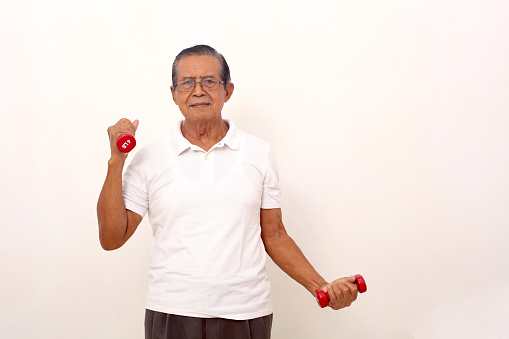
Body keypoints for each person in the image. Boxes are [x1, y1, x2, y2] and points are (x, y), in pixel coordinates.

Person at [97, 45, 360, 339]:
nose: (198, 91)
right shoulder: (150, 157)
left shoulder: (259, 153)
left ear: (228, 90)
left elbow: (274, 234)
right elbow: (111, 238)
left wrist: (320, 286)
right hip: (172, 312)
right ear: (174, 93)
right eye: (187, 83)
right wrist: (116, 160)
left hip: (246, 313)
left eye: (209, 81)